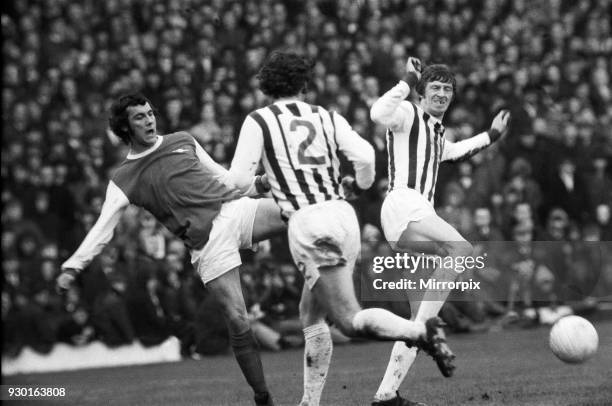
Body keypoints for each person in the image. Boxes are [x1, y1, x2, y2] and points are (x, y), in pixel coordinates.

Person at [231, 51, 450, 406]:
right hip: (344, 216)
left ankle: (419, 330)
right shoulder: (326, 116)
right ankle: (309, 402)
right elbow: (365, 157)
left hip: (309, 223)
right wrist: (360, 185)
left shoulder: (259, 120)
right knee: (310, 312)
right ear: (304, 83)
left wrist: (264, 183)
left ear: (266, 85)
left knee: (348, 319)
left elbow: (238, 181)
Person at [56, 93, 286, 406]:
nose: (149, 120)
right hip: (208, 244)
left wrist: (258, 184)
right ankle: (263, 396)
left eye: (150, 113)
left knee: (297, 210)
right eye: (140, 117)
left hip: (234, 211)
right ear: (125, 128)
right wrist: (73, 266)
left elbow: (225, 178)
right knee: (238, 319)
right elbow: (102, 228)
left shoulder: (183, 139)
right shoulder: (124, 177)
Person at [369, 57, 510, 405]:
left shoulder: (437, 132)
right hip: (404, 202)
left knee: (419, 312)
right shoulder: (405, 114)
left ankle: (386, 394)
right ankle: (432, 331)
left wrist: (491, 135)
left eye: (447, 89)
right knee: (462, 250)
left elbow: (460, 151)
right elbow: (376, 114)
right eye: (435, 87)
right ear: (421, 93)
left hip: (411, 218)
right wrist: (406, 79)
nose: (442, 94)